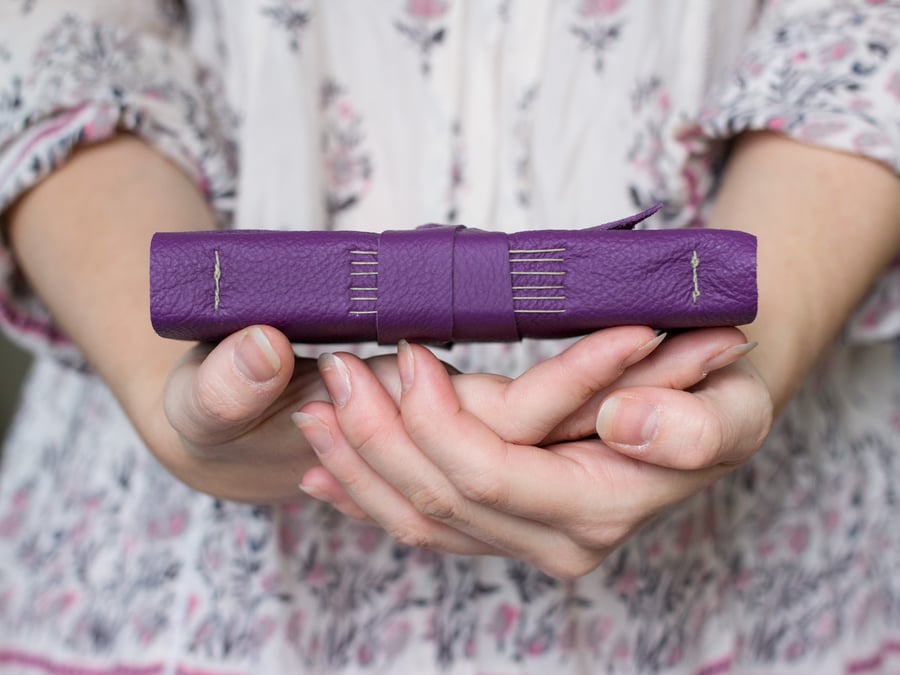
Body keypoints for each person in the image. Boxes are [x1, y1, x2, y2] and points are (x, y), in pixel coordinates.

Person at [1, 1, 899, 673]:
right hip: (177, 584)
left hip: (757, 569)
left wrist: (761, 340)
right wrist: (166, 386)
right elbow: (51, 34)